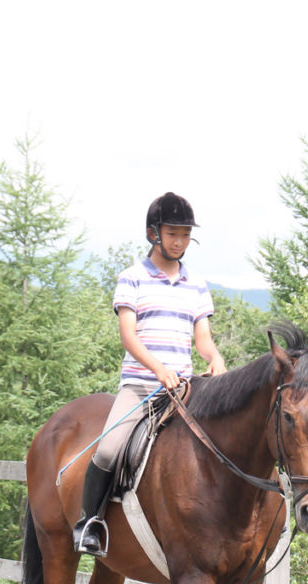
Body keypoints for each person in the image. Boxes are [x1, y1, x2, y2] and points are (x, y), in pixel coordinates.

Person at [73, 192, 227, 556]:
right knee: (110, 449)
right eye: (173, 233)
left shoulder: (196, 284)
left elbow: (202, 338)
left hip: (185, 389)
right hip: (141, 385)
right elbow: (128, 335)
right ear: (152, 234)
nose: (179, 241)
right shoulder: (132, 278)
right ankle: (89, 523)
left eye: (185, 234)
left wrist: (215, 357)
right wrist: (158, 369)